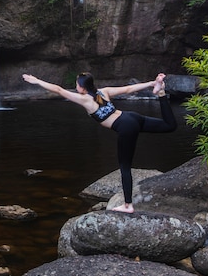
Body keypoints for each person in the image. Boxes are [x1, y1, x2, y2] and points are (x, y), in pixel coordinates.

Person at [22, 71, 177, 213]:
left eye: (77, 85)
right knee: (169, 126)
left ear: (82, 88)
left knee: (124, 167)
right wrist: (151, 83)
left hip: (125, 126)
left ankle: (128, 205)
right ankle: (161, 92)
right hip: (131, 117)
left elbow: (58, 90)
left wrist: (36, 81)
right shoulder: (104, 92)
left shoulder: (84, 100)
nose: (76, 88)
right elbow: (129, 89)